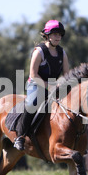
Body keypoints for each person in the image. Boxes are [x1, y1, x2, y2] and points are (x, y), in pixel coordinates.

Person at [14, 20, 70, 150]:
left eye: (60, 34)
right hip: (36, 85)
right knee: (32, 103)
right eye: (55, 34)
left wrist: (63, 85)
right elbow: (33, 75)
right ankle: (20, 137)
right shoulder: (39, 52)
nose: (58, 37)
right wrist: (50, 86)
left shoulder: (63, 53)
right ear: (47, 35)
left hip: (54, 87)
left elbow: (67, 75)